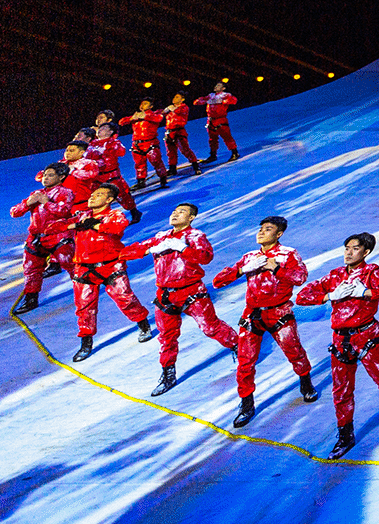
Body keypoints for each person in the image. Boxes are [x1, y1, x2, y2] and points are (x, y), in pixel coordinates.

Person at [296, 231, 379, 459]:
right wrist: (329, 296)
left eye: (355, 249)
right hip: (340, 340)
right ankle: (345, 435)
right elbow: (302, 296)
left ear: (366, 252)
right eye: (347, 248)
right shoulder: (335, 276)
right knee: (341, 390)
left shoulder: (372, 273)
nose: (349, 253)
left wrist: (366, 292)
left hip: (367, 337)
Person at [121, 201, 237, 396]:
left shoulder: (195, 236)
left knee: (210, 327)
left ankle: (239, 346)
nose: (175, 214)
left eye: (181, 212)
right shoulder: (161, 237)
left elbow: (205, 257)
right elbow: (125, 253)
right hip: (165, 295)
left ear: (191, 218)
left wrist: (183, 248)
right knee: (166, 337)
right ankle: (168, 374)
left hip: (192, 292)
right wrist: (149, 250)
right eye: (174, 211)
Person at [213, 215, 314, 427]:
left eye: (267, 229)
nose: (261, 232)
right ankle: (246, 404)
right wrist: (242, 270)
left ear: (279, 234)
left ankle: (305, 382)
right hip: (252, 315)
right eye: (260, 228)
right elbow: (217, 282)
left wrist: (276, 268)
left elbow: (300, 278)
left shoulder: (288, 254)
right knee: (245, 362)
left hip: (279, 313)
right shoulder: (249, 257)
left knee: (294, 352)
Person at [64, 183, 157, 362]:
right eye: (92, 194)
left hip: (111, 266)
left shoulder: (115, 215)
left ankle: (143, 324)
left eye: (99, 194)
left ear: (109, 199)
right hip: (83, 268)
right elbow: (54, 227)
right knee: (84, 308)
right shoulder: (81, 215)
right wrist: (76, 224)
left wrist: (95, 225)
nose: (92, 197)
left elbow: (117, 227)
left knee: (125, 299)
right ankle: (86, 342)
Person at [10, 163, 77, 315]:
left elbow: (63, 211)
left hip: (58, 236)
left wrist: (46, 202)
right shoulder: (37, 193)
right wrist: (28, 203)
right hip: (36, 238)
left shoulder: (66, 193)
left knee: (71, 265)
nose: (46, 178)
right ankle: (31, 299)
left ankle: (86, 289)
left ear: (61, 177)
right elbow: (14, 212)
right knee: (31, 270)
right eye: (45, 175)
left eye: (51, 175)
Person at [120, 101, 169, 190]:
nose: (142, 105)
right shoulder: (136, 116)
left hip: (150, 142)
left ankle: (163, 179)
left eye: (145, 104)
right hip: (137, 144)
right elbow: (121, 122)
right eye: (141, 104)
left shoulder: (154, 114)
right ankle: (141, 181)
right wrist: (132, 118)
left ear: (151, 106)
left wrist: (145, 116)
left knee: (156, 161)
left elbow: (159, 118)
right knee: (139, 164)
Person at [159, 93, 200, 179]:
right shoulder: (170, 108)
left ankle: (195, 165)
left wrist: (171, 109)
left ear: (182, 99)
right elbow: (161, 114)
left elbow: (179, 111)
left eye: (177, 97)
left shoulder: (184, 107)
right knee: (171, 152)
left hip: (179, 131)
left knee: (185, 150)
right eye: (174, 97)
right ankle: (172, 168)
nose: (174, 98)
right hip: (169, 132)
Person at [200, 81, 240, 162]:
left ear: (223, 88)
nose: (216, 87)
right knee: (212, 139)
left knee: (227, 137)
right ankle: (213, 155)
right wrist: (204, 100)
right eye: (216, 85)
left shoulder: (225, 95)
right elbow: (198, 102)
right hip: (211, 120)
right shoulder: (211, 96)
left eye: (218, 85)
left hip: (220, 119)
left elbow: (234, 100)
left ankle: (235, 152)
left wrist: (221, 101)